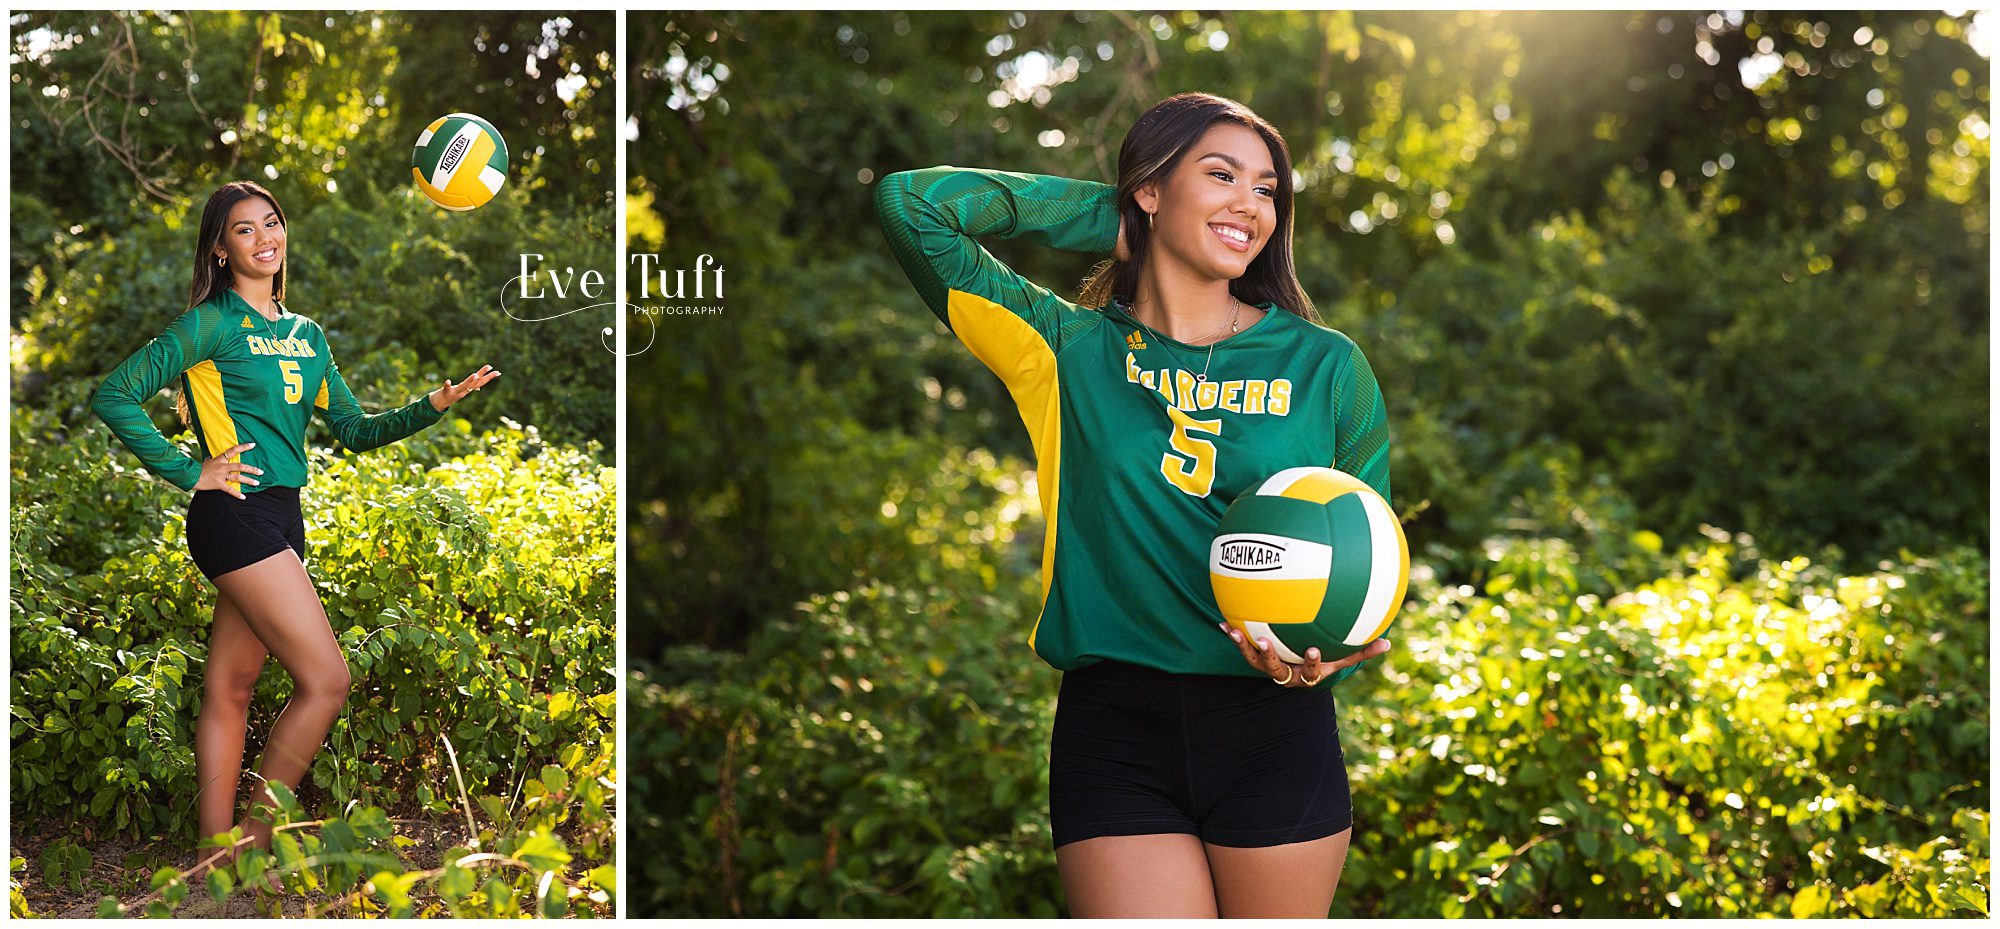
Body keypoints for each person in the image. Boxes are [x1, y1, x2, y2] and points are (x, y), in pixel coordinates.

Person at [874, 92, 1395, 917]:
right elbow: (913, 204)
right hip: (1115, 731)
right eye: (1220, 175)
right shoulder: (1061, 348)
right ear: (1150, 188)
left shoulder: (1326, 365)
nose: (1249, 205)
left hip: (1271, 728)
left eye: (1266, 189)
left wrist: (1328, 653)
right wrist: (1118, 223)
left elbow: (1371, 554)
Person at [90, 180, 502, 872]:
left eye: (271, 223)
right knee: (327, 678)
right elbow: (114, 394)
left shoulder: (305, 335)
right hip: (233, 514)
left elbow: (353, 428)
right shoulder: (210, 323)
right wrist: (190, 470)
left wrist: (433, 403)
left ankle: (208, 861)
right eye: (243, 230)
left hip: (284, 514)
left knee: (231, 688)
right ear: (220, 250)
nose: (263, 238)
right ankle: (252, 838)